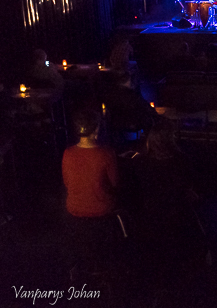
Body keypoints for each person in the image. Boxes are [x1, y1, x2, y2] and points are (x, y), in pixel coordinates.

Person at [133, 119, 206, 292]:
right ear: (170, 139)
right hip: (177, 219)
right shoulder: (181, 161)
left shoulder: (141, 162)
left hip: (150, 219)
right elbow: (189, 189)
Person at [62, 109, 119, 273]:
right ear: (96, 129)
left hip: (74, 210)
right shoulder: (106, 154)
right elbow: (115, 183)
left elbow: (67, 183)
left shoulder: (68, 153)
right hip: (100, 211)